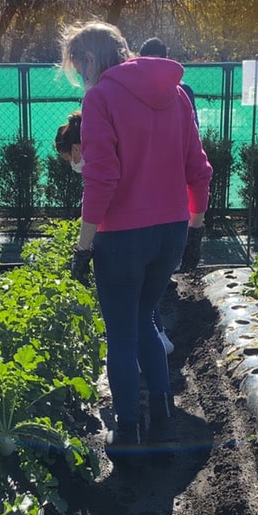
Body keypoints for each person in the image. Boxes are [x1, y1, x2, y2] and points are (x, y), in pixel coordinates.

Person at [59, 20, 212, 464]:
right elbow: (198, 169)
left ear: (90, 58)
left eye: (77, 66)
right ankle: (162, 410)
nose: (80, 77)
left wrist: (83, 246)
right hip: (169, 232)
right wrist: (196, 227)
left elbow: (101, 179)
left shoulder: (101, 97)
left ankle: (127, 428)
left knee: (120, 334)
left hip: (122, 238)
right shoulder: (177, 95)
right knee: (145, 317)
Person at [54, 111, 175, 356]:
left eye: (69, 158)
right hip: (160, 226)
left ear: (76, 149)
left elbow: (98, 201)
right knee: (145, 299)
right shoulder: (120, 142)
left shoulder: (98, 163)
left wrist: (83, 248)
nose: (72, 164)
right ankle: (158, 340)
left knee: (127, 312)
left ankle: (138, 355)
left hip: (123, 234)